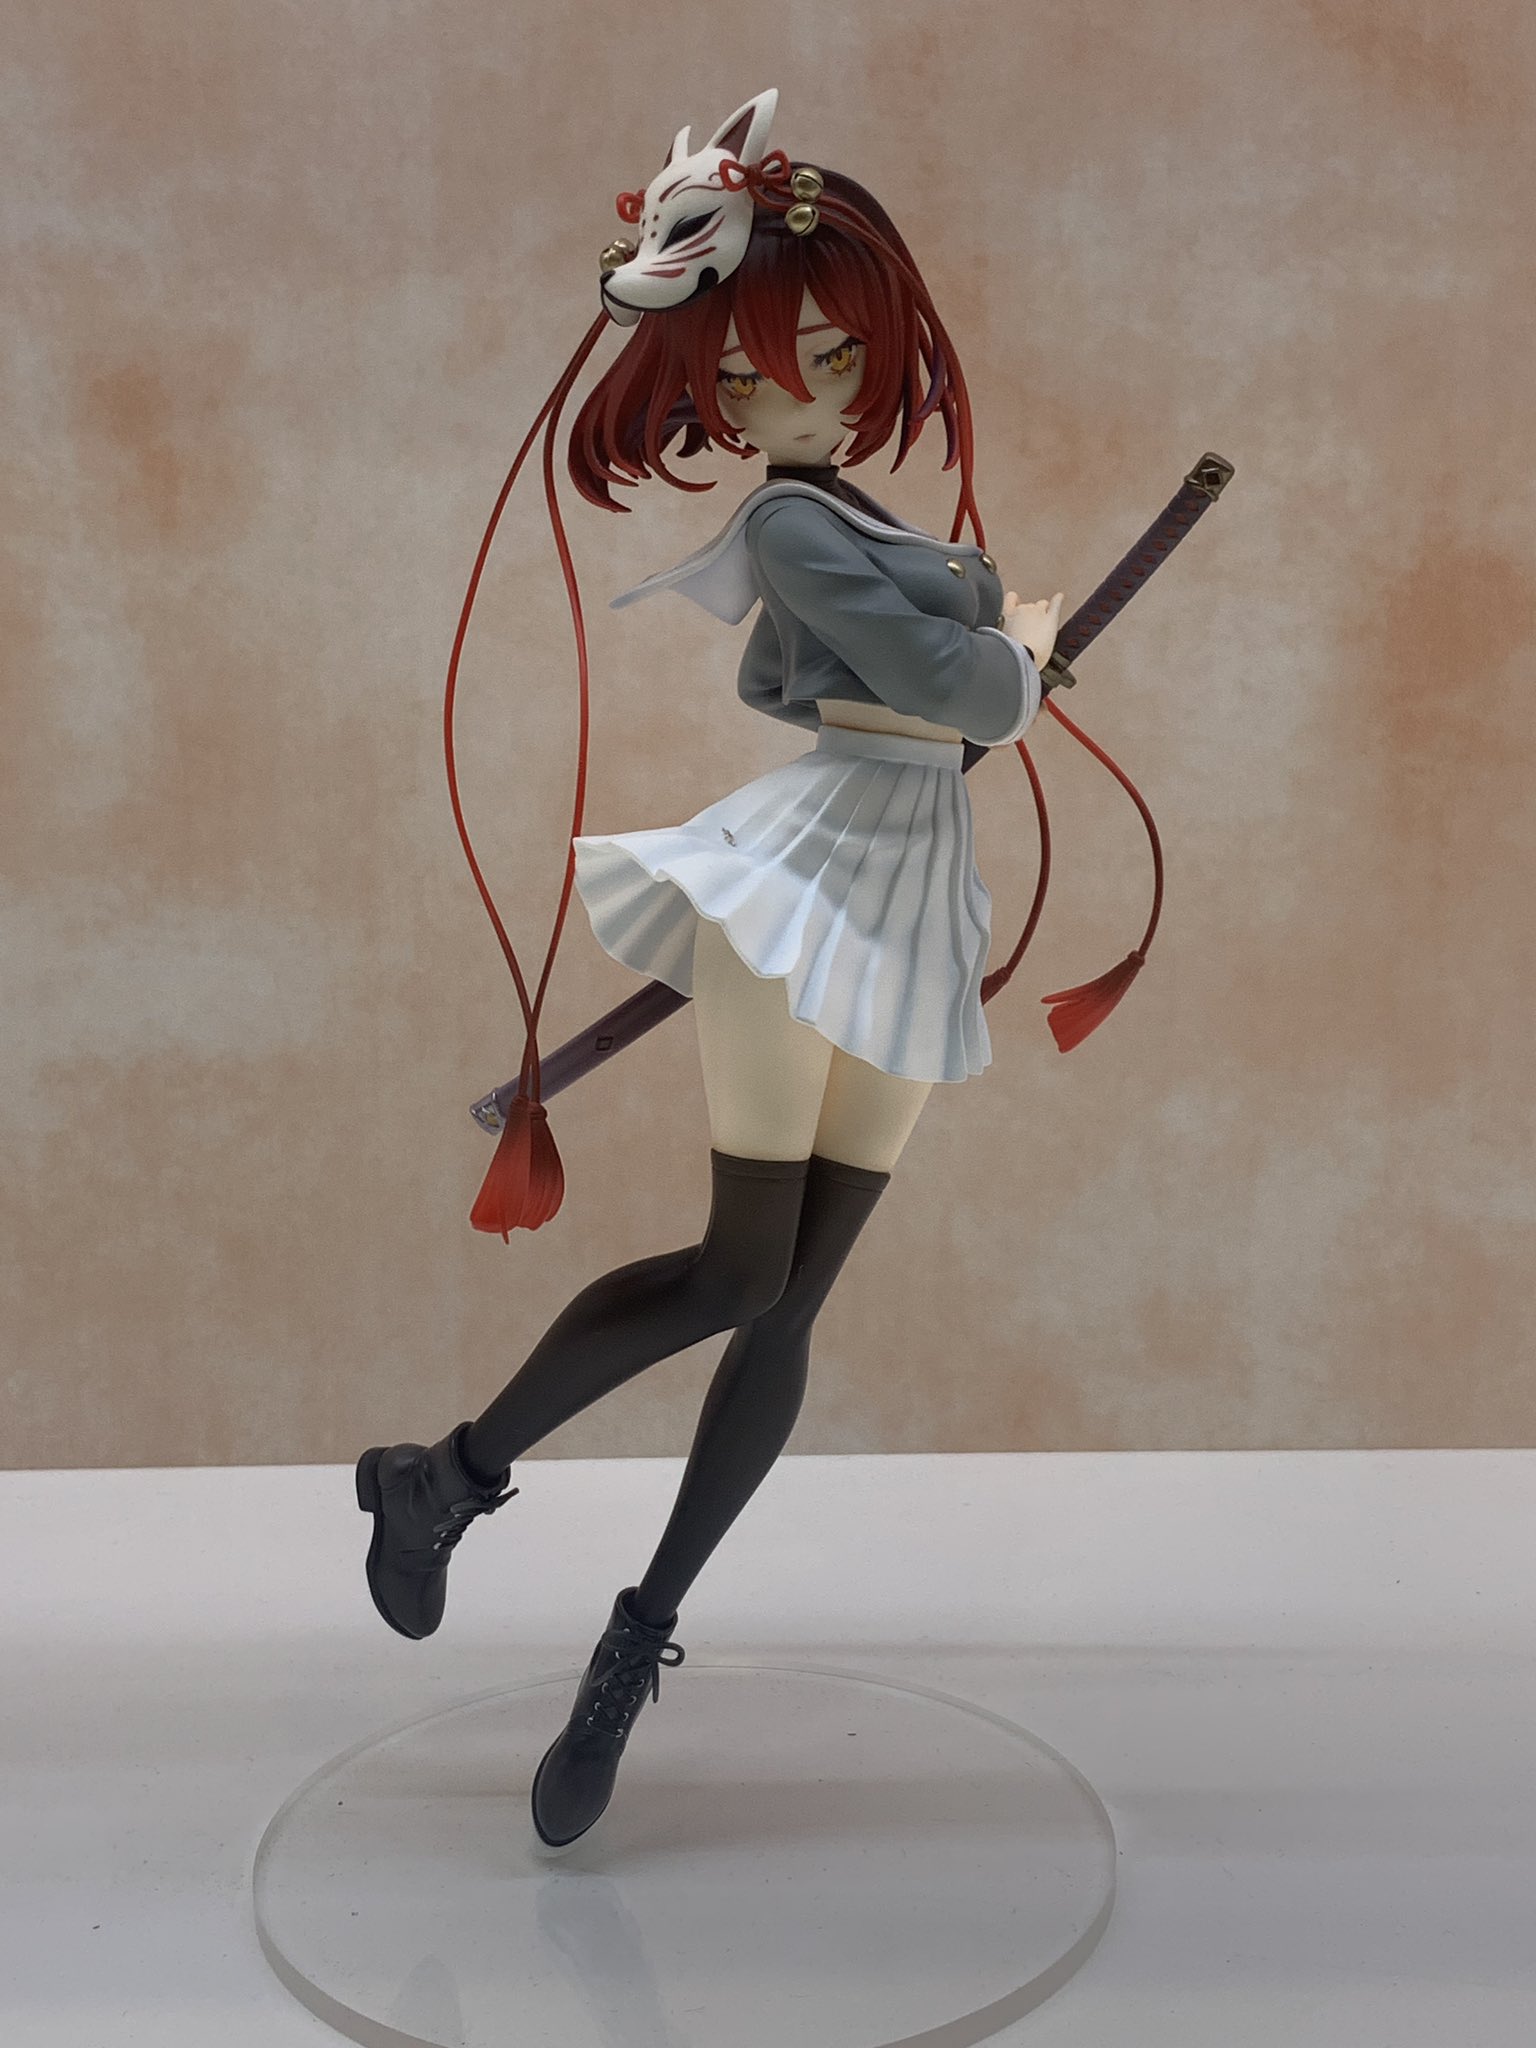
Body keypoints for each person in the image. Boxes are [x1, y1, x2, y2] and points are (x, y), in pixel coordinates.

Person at [356, 89, 1091, 1851]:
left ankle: (638, 1634)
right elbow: (968, 690)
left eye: (831, 360)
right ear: (710, 396)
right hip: (808, 885)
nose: (799, 397)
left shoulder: (877, 528)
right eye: (755, 377)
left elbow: (949, 685)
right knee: (742, 1263)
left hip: (915, 888)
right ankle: (451, 1473)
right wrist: (1014, 654)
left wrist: (987, 655)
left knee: (792, 1307)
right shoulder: (792, 528)